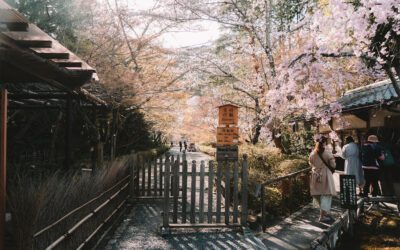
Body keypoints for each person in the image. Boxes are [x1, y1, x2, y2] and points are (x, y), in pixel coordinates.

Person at [309, 136, 337, 223]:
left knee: (319, 195)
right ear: (324, 143)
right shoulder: (327, 152)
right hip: (325, 175)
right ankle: (322, 216)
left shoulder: (313, 153)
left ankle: (323, 214)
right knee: (326, 194)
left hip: (316, 175)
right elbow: (333, 165)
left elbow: (310, 163)